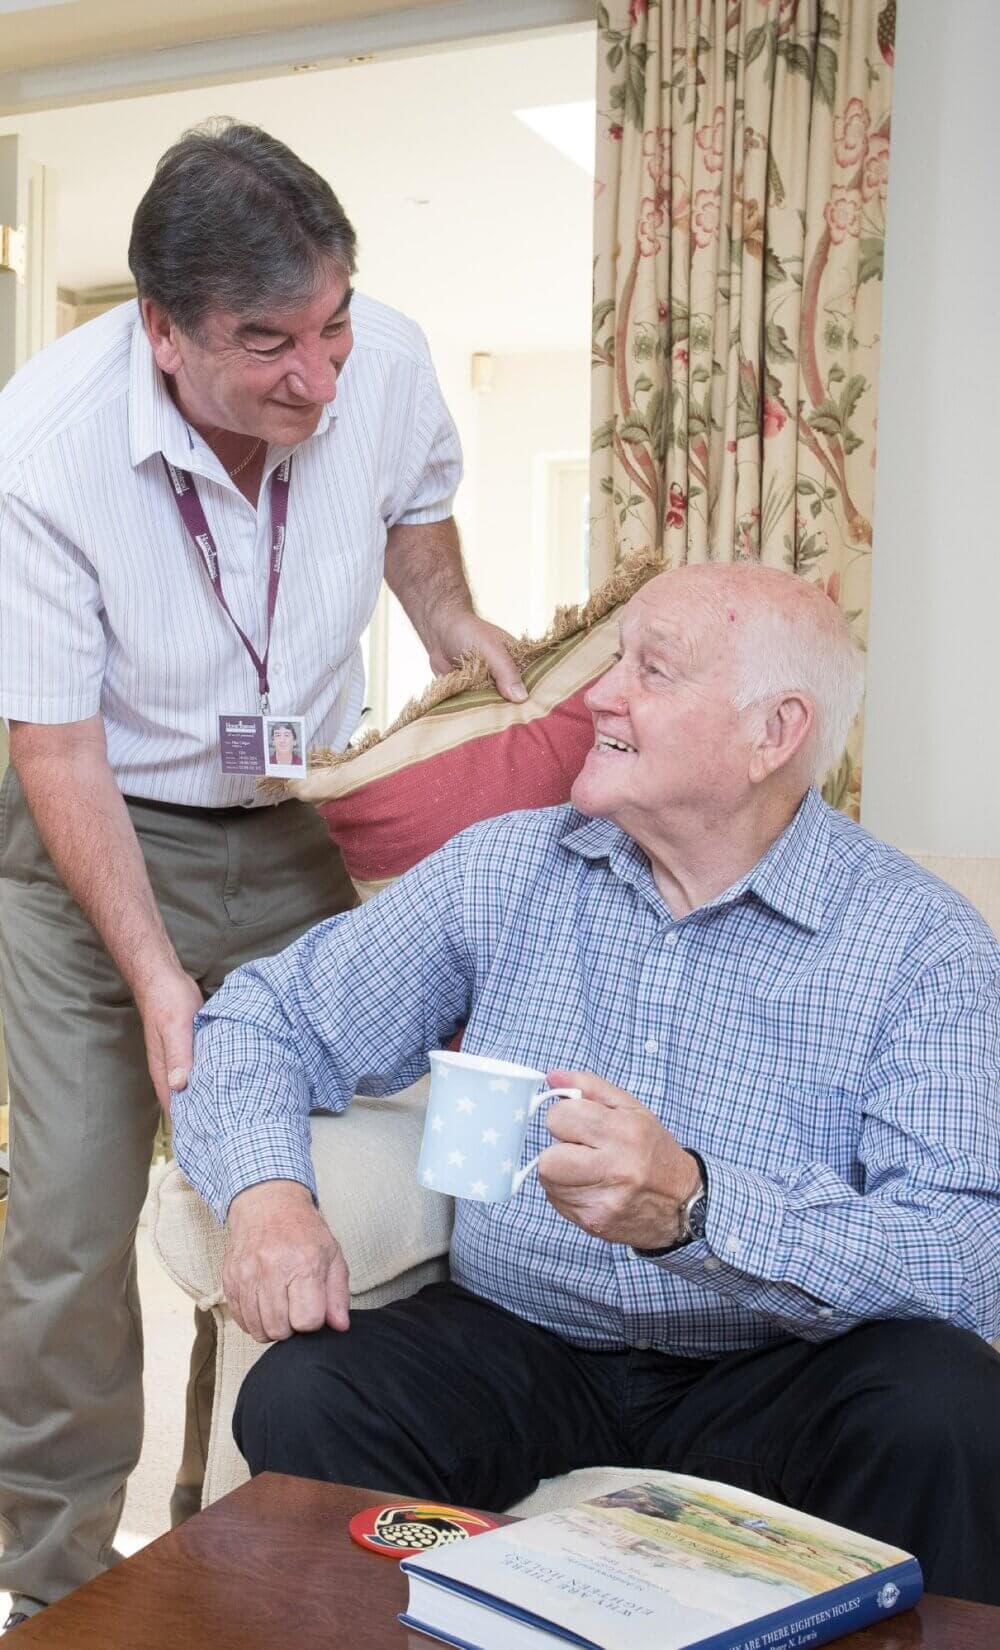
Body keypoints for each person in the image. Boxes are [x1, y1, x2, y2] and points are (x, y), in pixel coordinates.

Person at [173, 563, 1000, 1607]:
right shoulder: (508, 870)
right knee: (308, 1393)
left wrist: (695, 1209)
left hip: (781, 1365)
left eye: (650, 671)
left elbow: (960, 1260)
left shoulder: (919, 945)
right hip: (525, 1345)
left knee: (951, 1408)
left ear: (772, 733)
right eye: (617, 661)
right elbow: (260, 1019)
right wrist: (267, 1199)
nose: (600, 696)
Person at [0, 119, 523, 1630]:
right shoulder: (43, 451)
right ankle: (54, 1578)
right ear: (160, 332)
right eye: (267, 344)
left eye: (334, 323)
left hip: (308, 812)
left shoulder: (389, 362)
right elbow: (59, 748)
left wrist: (454, 636)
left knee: (412, 1157)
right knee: (73, 1217)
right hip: (103, 830)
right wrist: (159, 978)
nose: (319, 377)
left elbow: (417, 522)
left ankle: (349, 1513)